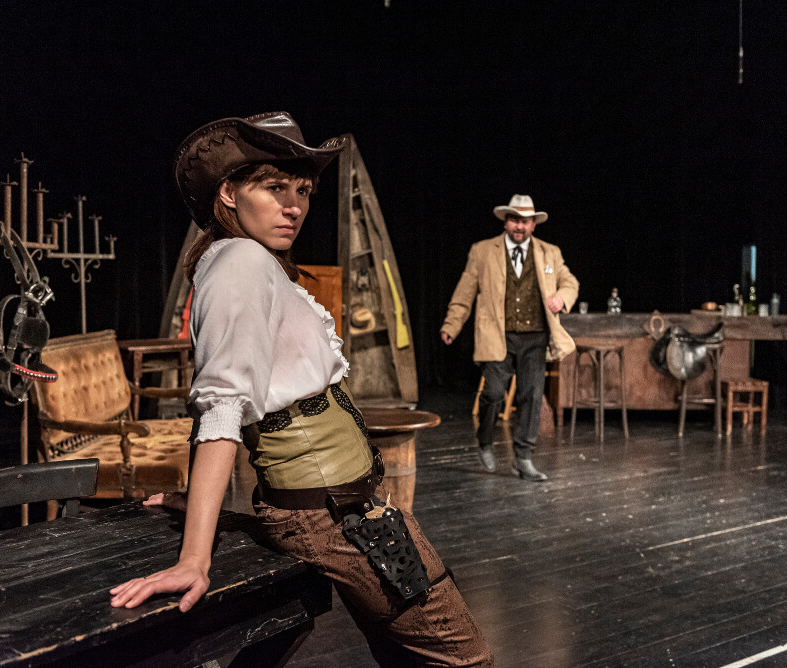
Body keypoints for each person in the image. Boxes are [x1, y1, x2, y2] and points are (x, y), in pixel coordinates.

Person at [109, 113, 493, 667]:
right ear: (228, 192)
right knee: (466, 660)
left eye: (303, 191)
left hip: (345, 507)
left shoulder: (255, 262)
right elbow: (221, 406)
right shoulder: (240, 261)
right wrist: (194, 556)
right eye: (274, 188)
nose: (294, 206)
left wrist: (197, 504)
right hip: (331, 515)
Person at [440, 195, 578, 482]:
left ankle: (523, 458)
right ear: (505, 221)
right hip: (497, 334)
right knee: (492, 392)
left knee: (531, 396)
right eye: (514, 220)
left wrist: (561, 298)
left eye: (525, 221)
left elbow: (570, 282)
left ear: (533, 225)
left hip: (535, 336)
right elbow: (465, 291)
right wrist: (452, 324)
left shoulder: (549, 252)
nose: (519, 226)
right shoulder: (483, 251)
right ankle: (485, 440)